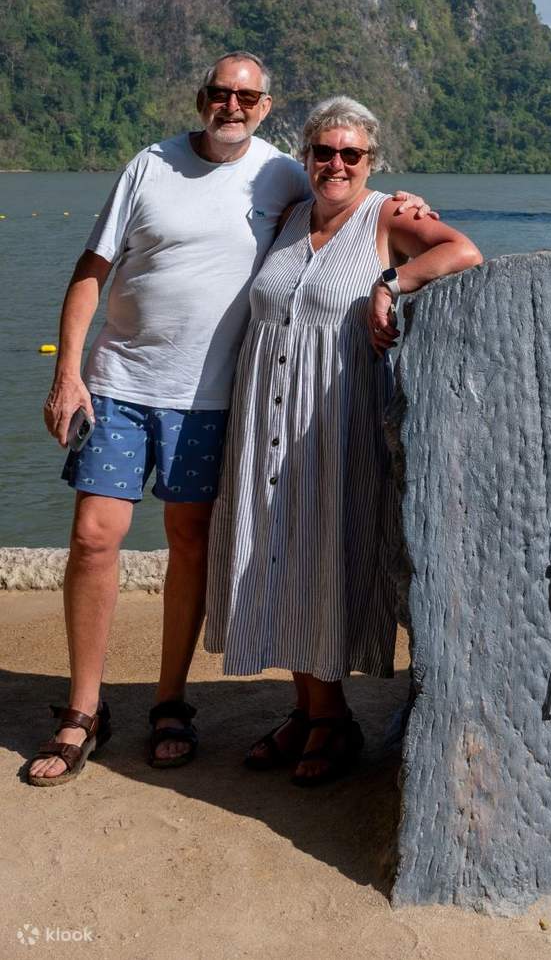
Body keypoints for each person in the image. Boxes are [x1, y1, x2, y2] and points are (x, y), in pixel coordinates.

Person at [24, 55, 430, 786]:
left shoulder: (281, 175)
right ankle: (84, 709)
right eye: (221, 93)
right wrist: (67, 376)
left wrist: (397, 232)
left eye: (246, 96)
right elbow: (91, 270)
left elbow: (367, 211)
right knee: (92, 538)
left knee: (189, 541)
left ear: (266, 106)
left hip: (212, 398)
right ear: (202, 98)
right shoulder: (150, 166)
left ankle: (170, 703)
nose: (232, 105)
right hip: (120, 383)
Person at [204, 95, 481, 785]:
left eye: (350, 154)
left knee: (323, 554)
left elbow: (464, 252)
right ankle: (307, 710)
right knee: (276, 555)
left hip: (335, 420)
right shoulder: (291, 217)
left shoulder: (388, 214)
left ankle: (332, 719)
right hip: (263, 423)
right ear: (305, 156)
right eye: (324, 151)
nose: (336, 164)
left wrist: (394, 282)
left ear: (371, 161)